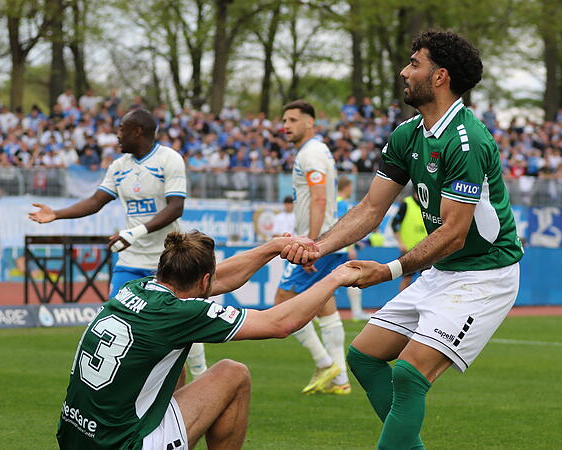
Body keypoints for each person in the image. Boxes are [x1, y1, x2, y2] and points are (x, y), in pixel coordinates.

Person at [282, 30, 523, 449]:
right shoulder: (408, 134)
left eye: (415, 63)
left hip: (483, 276)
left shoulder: (466, 141)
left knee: (409, 375)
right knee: (364, 356)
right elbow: (370, 210)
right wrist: (318, 247)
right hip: (444, 270)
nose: (404, 71)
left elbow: (453, 231)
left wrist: (388, 271)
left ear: (440, 77)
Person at [56, 230, 360, 449]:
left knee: (175, 367)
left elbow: (223, 277)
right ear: (203, 281)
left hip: (75, 438)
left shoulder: (137, 287)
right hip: (123, 444)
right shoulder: (180, 312)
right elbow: (280, 323)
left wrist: (273, 248)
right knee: (233, 373)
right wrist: (335, 277)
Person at [28, 108, 208, 378]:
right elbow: (95, 201)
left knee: (182, 321)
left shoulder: (168, 159)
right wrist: (56, 214)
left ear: (138, 131)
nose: (117, 134)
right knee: (116, 322)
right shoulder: (119, 166)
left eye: (122, 129)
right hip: (130, 260)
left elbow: (176, 208)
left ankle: (202, 375)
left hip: (166, 259)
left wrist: (133, 233)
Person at [274, 100, 351, 395]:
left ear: (310, 123)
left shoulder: (312, 152)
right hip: (328, 239)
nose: (286, 125)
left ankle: (324, 363)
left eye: (293, 119)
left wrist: (312, 244)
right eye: (284, 119)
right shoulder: (314, 152)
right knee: (324, 305)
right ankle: (340, 379)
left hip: (317, 241)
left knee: (282, 302)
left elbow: (319, 199)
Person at [338, 176, 370, 320]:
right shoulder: (342, 204)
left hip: (335, 249)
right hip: (341, 250)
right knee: (354, 278)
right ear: (346, 187)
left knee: (322, 280)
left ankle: (316, 315)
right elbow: (343, 228)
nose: (352, 189)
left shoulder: (334, 202)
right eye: (351, 186)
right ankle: (356, 311)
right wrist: (350, 246)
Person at [391, 191, 428, 291]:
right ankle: (401, 304)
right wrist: (400, 243)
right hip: (409, 250)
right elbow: (394, 224)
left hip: (427, 249)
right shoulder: (406, 203)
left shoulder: (428, 204)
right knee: (407, 278)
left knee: (428, 279)